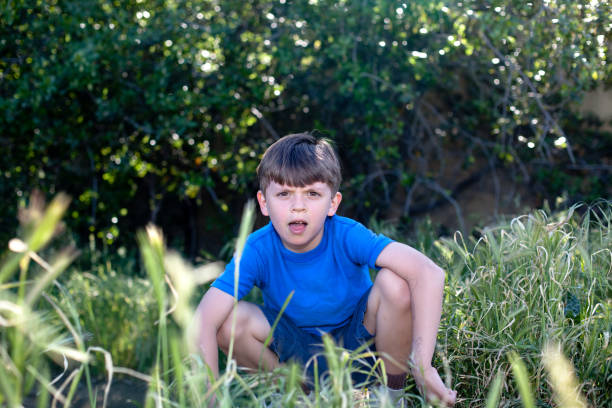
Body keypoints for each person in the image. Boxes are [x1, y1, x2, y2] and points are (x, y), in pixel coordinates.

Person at [196, 132, 457, 406]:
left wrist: (423, 367)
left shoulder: (346, 235)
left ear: (333, 203)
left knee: (395, 283)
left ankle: (390, 396)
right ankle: (296, 398)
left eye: (312, 194)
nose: (298, 207)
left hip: (361, 346)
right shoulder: (258, 249)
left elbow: (429, 272)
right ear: (264, 203)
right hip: (295, 354)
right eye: (284, 194)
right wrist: (210, 401)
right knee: (228, 322)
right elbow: (204, 319)